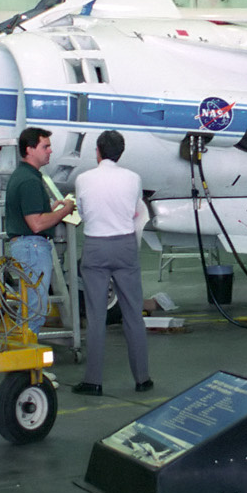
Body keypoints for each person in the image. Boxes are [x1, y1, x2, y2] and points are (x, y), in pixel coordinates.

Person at [72, 130, 152, 396]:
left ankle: (93, 381)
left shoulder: (83, 179)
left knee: (96, 317)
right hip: (125, 246)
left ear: (97, 151)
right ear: (121, 152)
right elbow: (135, 210)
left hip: (96, 246)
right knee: (133, 315)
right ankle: (142, 379)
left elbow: (82, 213)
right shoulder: (133, 178)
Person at [4, 127, 74, 333]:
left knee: (30, 305)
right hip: (33, 246)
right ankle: (25, 355)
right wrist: (65, 211)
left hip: (25, 245)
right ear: (30, 149)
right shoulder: (29, 181)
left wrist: (50, 209)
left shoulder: (24, 176)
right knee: (35, 308)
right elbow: (37, 224)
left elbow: (30, 216)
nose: (50, 151)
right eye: (46, 146)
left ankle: (22, 352)